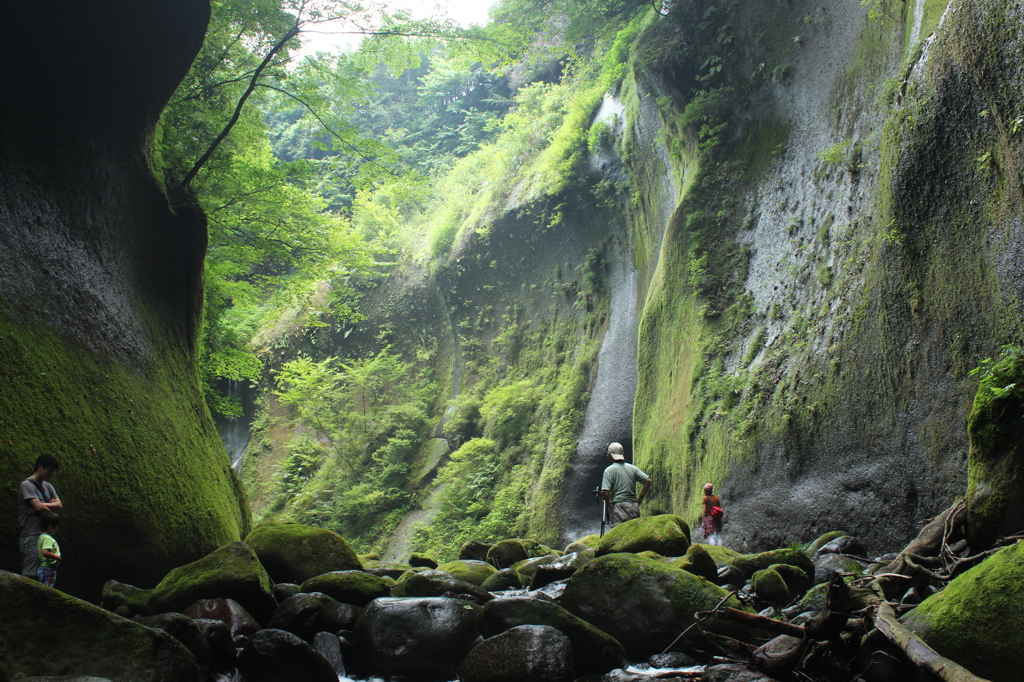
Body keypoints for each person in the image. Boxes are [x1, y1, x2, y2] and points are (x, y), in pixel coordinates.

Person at [18, 454, 62, 579]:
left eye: (54, 470)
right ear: (40, 467)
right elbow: (38, 507)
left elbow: (59, 506)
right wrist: (41, 506)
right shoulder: (27, 485)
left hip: (45, 535)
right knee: (30, 572)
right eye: (50, 469)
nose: (52, 473)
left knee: (44, 572)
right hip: (31, 533)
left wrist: (41, 504)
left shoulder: (48, 486)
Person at [600, 442, 652, 526]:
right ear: (623, 454)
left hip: (619, 507)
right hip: (633, 506)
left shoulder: (608, 471)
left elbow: (606, 493)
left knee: (618, 533)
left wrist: (608, 502)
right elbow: (648, 481)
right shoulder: (633, 468)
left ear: (609, 454)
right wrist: (640, 498)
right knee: (633, 532)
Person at [36, 512, 61, 587]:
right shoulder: (47, 538)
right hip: (48, 569)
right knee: (47, 588)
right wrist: (58, 558)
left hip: (45, 568)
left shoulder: (42, 537)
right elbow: (45, 552)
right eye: (55, 526)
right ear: (50, 526)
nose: (57, 528)